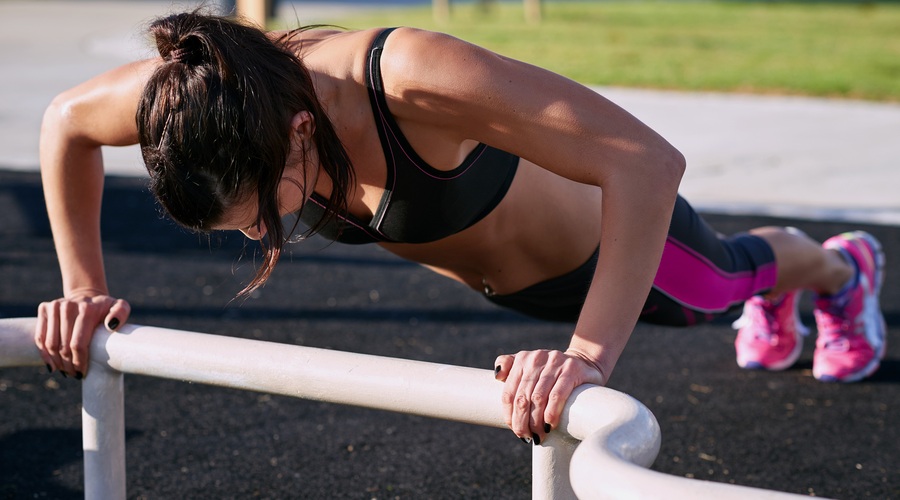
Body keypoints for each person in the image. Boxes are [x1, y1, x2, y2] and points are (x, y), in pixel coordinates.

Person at [34, 11, 886, 445]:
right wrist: (82, 288)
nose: (263, 237)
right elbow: (66, 123)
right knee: (730, 298)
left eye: (265, 211)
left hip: (613, 252)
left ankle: (840, 273)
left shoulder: (403, 78)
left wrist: (587, 357)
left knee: (725, 285)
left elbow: (646, 161)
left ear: (298, 130)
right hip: (516, 290)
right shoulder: (194, 97)